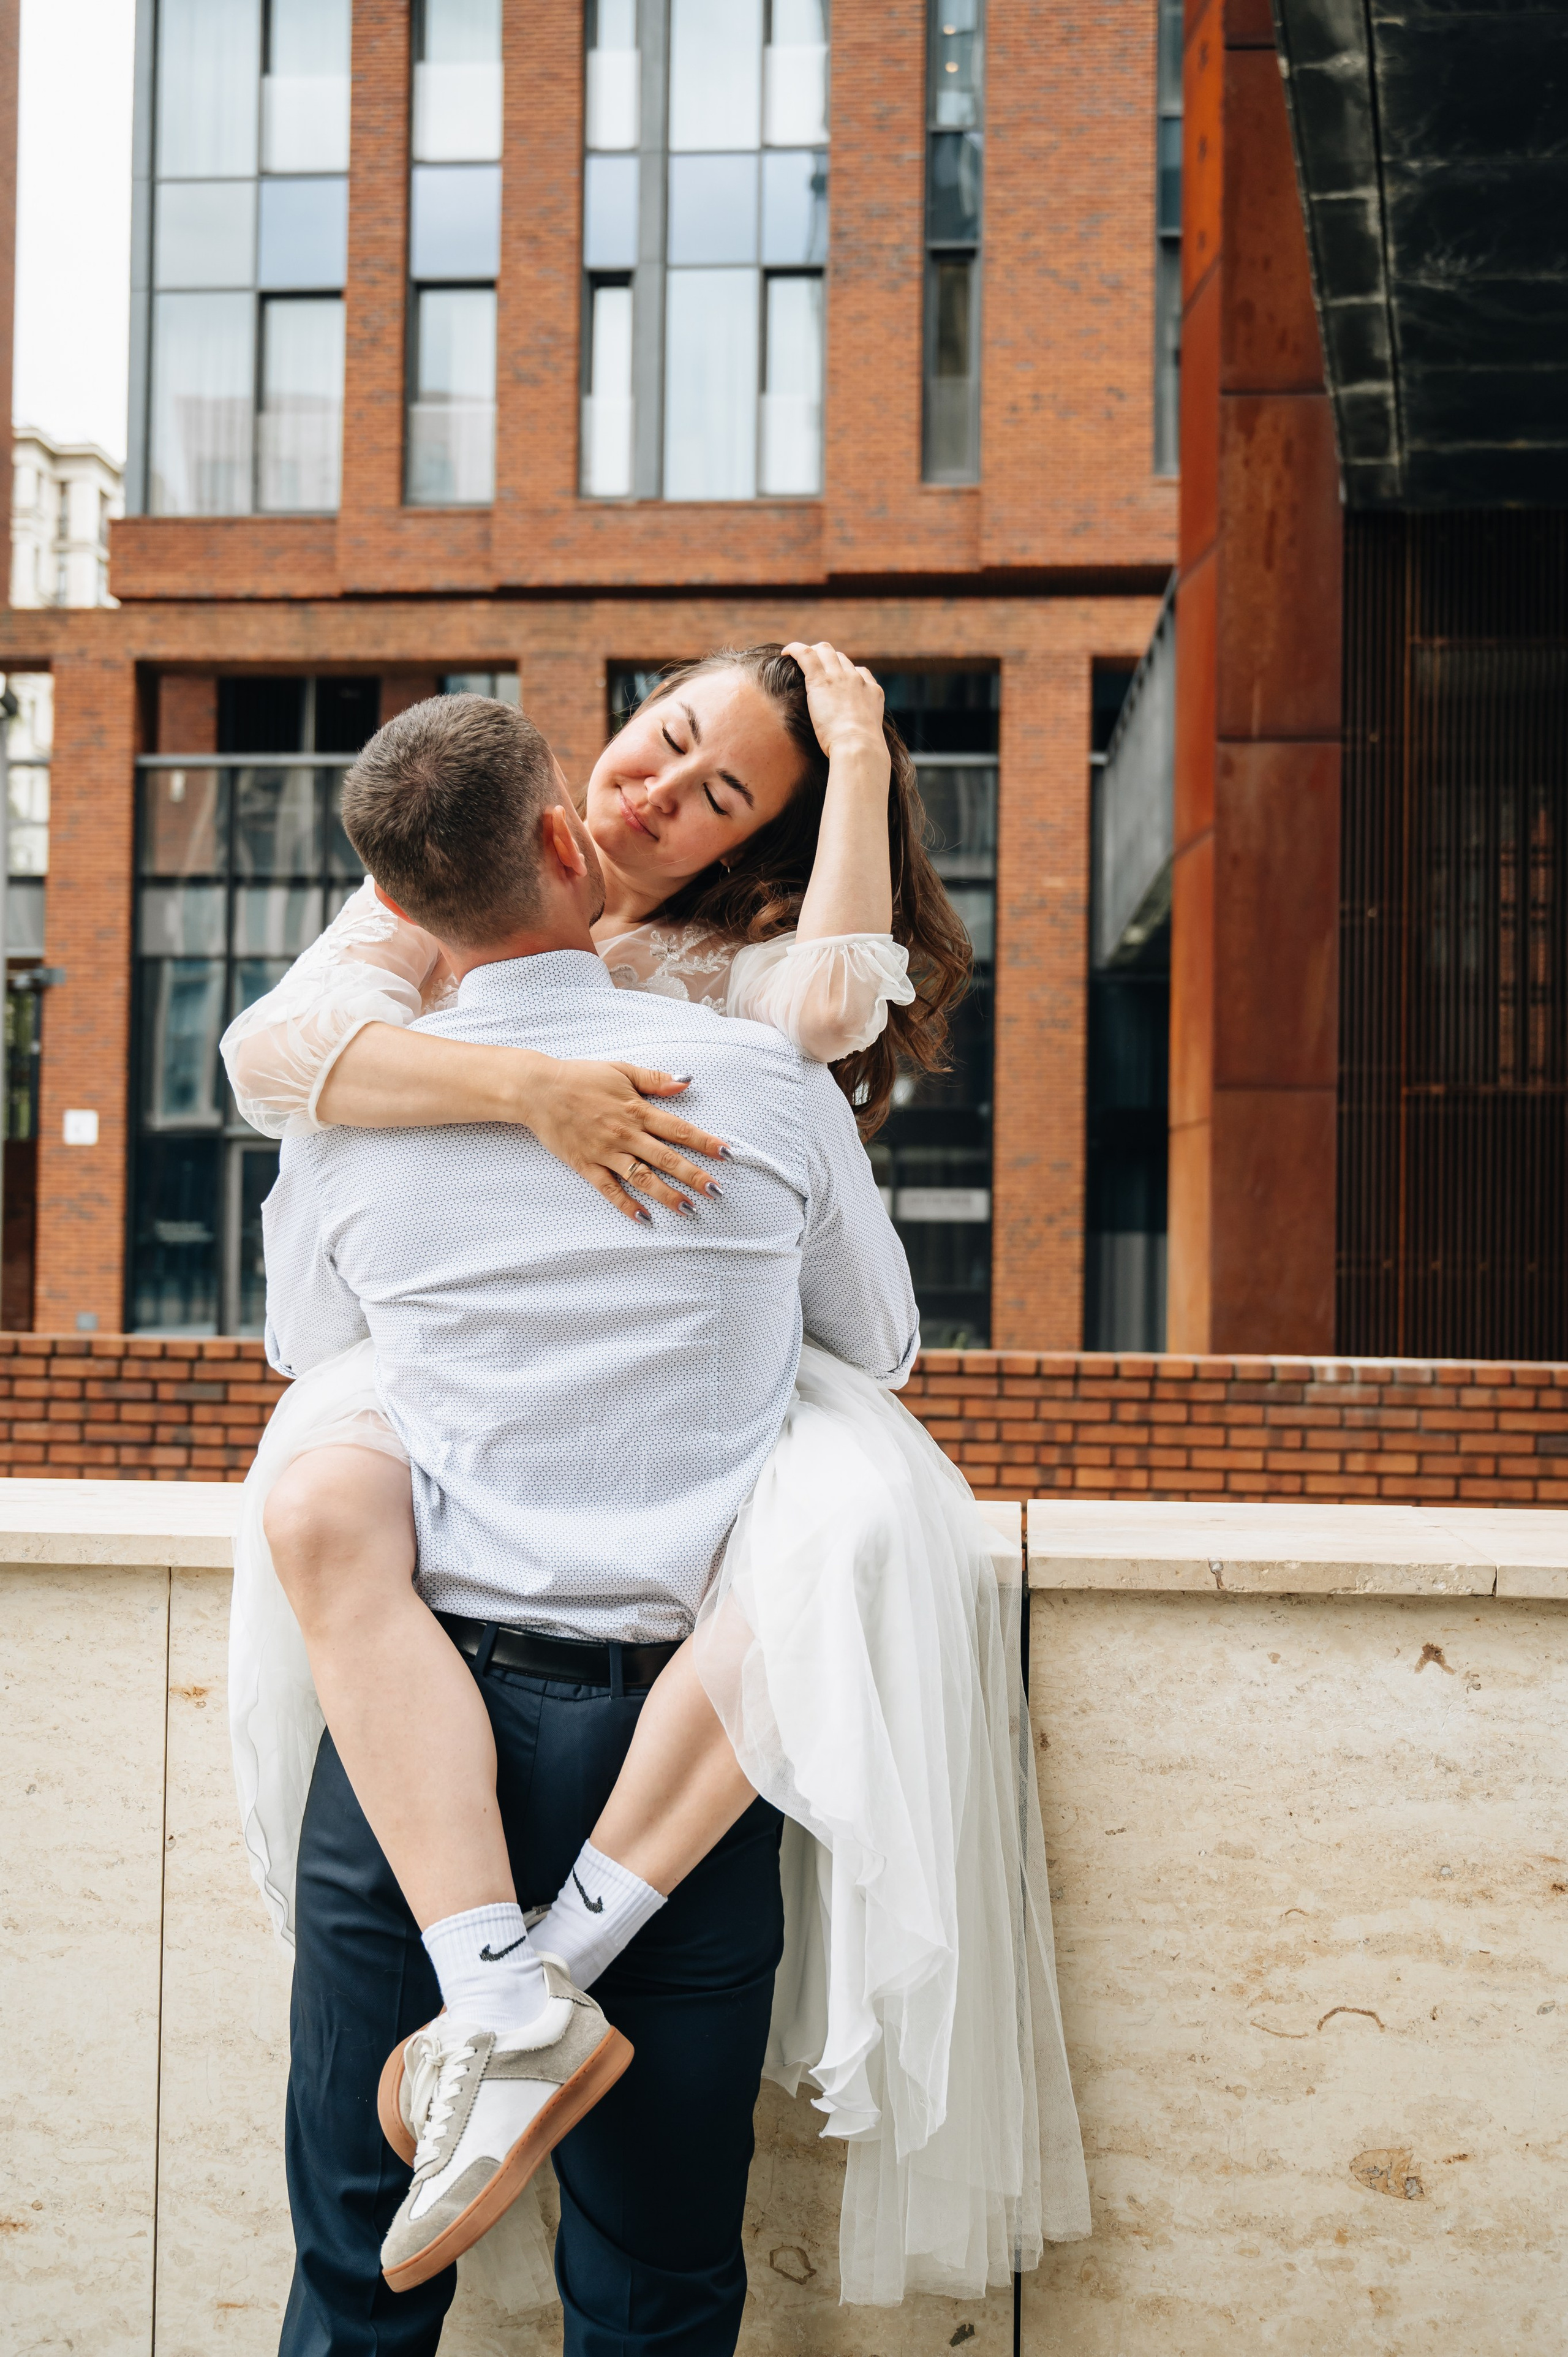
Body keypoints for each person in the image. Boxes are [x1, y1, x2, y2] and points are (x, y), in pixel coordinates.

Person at [227, 646, 1090, 2309]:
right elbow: (274, 1057)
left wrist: (861, 756)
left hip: (523, 1695)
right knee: (650, 2278)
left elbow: (839, 994)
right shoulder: (504, 998)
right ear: (566, 801)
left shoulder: (732, 988)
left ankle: (510, 1993)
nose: (660, 793)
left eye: (723, 798)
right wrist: (536, 1090)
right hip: (561, 1697)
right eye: (671, 739)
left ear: (750, 850)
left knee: (394, 2262)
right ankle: (529, 1989)